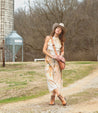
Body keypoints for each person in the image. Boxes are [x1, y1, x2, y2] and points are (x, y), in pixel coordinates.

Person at [43, 23, 67, 106]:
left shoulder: (61, 41)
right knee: (49, 79)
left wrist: (60, 56)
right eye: (57, 28)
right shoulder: (48, 38)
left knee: (57, 80)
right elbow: (44, 50)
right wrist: (52, 56)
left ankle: (52, 97)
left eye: (60, 29)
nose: (58, 30)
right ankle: (60, 96)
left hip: (57, 63)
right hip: (49, 61)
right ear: (54, 29)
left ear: (61, 32)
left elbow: (62, 51)